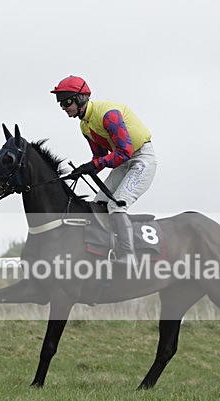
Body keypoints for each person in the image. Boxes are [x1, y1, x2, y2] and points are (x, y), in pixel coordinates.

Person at [50, 75, 157, 265]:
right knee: (98, 204)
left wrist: (94, 165)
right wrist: (84, 169)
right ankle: (103, 251)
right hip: (124, 162)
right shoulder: (84, 126)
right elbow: (100, 157)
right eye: (60, 103)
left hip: (141, 159)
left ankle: (128, 255)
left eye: (66, 102)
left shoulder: (108, 114)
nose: (63, 107)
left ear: (80, 98)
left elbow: (124, 151)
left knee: (117, 206)